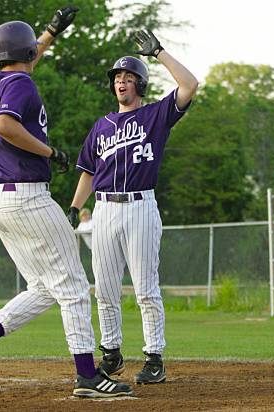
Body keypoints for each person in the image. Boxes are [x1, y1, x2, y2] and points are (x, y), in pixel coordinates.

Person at [0, 8, 133, 398]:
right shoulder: (23, 86)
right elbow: (5, 126)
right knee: (72, 286)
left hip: (2, 199)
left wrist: (50, 32)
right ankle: (88, 375)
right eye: (34, 46)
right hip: (29, 197)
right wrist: (50, 152)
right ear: (26, 52)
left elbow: (21, 64)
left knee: (43, 286)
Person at [66, 29, 198, 384]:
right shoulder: (101, 126)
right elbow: (89, 173)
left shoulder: (155, 116)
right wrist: (75, 207)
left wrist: (159, 53)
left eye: (127, 79)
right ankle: (111, 353)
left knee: (145, 289)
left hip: (141, 207)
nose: (121, 84)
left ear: (140, 85)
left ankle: (154, 357)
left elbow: (189, 85)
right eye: (117, 79)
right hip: (104, 210)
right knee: (105, 289)